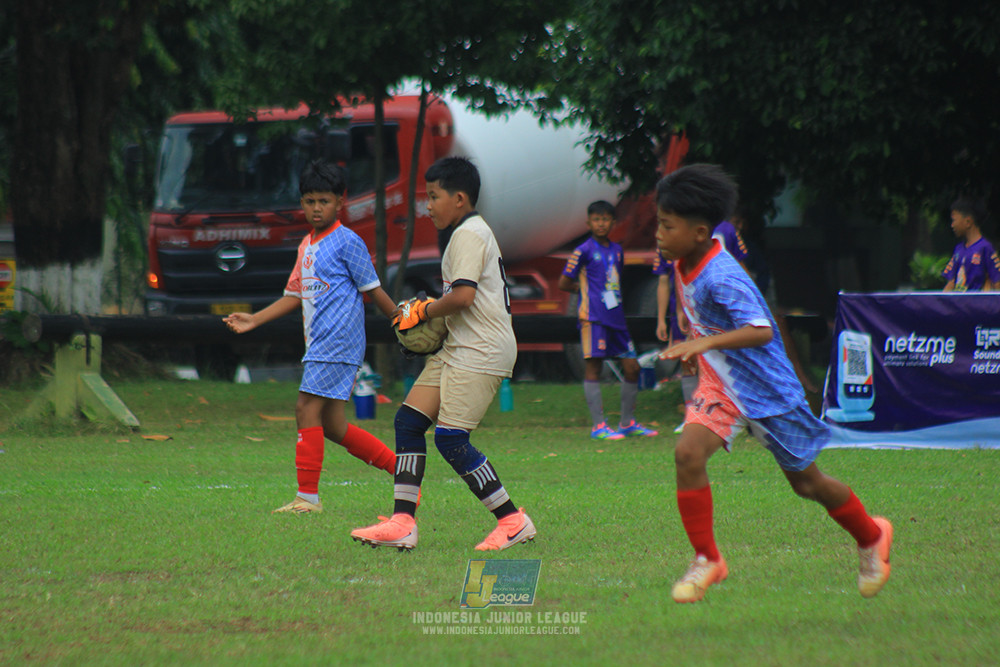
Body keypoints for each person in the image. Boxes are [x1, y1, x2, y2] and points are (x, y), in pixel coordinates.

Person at [656, 164, 893, 603]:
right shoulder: (681, 261)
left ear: (699, 231)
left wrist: (702, 342)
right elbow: (706, 321)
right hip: (722, 387)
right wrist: (695, 347)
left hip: (767, 391)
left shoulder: (721, 274)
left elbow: (761, 329)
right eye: (659, 223)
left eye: (666, 226)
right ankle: (707, 558)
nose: (658, 233)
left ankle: (871, 535)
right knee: (687, 453)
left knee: (808, 485)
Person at [350, 156, 535, 551]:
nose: (428, 205)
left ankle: (513, 520)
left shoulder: (468, 234)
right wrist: (433, 309)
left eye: (434, 196)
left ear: (460, 198)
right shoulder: (468, 231)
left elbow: (464, 297)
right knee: (409, 422)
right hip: (460, 346)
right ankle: (402, 522)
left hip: (481, 350)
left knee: (451, 440)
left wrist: (424, 310)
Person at [224, 160, 398, 514]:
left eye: (324, 201)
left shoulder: (348, 242)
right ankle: (402, 470)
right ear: (301, 203)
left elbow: (374, 289)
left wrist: (401, 319)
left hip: (338, 342)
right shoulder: (306, 244)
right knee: (333, 426)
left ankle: (308, 498)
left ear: (340, 202)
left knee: (305, 407)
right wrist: (255, 319)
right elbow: (294, 294)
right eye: (309, 201)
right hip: (320, 344)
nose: (316, 208)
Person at [558, 200, 658, 440]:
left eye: (605, 219)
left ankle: (627, 422)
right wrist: (585, 293)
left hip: (617, 320)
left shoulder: (617, 250)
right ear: (588, 222)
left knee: (632, 368)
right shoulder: (583, 250)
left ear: (613, 222)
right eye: (596, 219)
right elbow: (564, 282)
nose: (601, 223)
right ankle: (599, 426)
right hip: (594, 319)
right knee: (595, 367)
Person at [653, 250, 697, 434]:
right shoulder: (666, 246)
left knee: (709, 361)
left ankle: (715, 414)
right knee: (686, 361)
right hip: (679, 314)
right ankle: (691, 416)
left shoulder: (700, 241)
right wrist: (661, 319)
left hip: (702, 309)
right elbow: (664, 282)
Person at [942, 196, 1000, 292]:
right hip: (959, 305)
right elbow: (951, 282)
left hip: (976, 305)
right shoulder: (958, 249)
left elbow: (997, 282)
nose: (952, 225)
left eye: (954, 220)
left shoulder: (986, 248)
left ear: (968, 222)